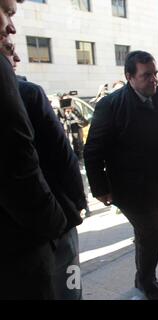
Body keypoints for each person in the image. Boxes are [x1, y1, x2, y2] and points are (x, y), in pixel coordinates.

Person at [84, 51, 158, 300]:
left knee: (148, 235)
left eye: (154, 74)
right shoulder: (111, 105)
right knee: (154, 234)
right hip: (129, 187)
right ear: (129, 77)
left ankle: (145, 277)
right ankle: (146, 283)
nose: (153, 79)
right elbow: (92, 150)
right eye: (146, 75)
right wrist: (100, 188)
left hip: (156, 183)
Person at [0, 0, 68, 300]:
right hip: (20, 245)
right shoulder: (28, 91)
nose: (11, 26)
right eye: (6, 11)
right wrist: (57, 220)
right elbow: (18, 161)